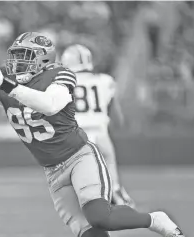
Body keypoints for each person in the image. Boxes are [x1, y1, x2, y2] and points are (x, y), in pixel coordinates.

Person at [0, 32, 185, 237]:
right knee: (88, 232)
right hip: (52, 170)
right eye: (15, 57)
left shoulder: (59, 75)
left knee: (100, 216)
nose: (16, 64)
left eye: (24, 58)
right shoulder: (5, 82)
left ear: (43, 60)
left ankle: (155, 220)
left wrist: (8, 86)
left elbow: (49, 105)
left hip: (80, 157)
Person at [61, 44, 135, 207]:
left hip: (76, 136)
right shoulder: (105, 80)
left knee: (81, 181)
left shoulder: (62, 83)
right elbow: (116, 115)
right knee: (111, 174)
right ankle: (121, 200)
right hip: (100, 134)